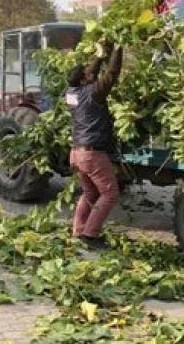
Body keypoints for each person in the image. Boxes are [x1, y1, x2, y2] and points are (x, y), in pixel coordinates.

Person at [65, 41, 124, 248]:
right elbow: (112, 73)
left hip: (76, 153)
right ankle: (90, 235)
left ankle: (78, 230)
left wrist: (100, 55)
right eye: (89, 74)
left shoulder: (71, 93)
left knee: (90, 192)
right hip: (92, 155)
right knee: (109, 193)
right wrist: (118, 48)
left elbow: (91, 73)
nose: (93, 74)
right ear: (84, 80)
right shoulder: (93, 94)